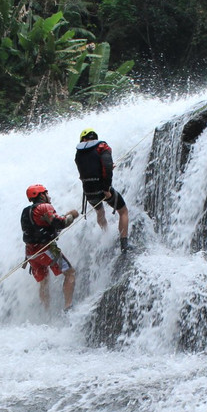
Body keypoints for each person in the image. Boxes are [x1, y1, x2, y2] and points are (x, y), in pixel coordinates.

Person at [21, 183, 79, 311]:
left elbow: (43, 226)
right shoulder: (44, 207)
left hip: (30, 255)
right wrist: (73, 215)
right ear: (41, 195)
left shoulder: (26, 211)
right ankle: (68, 307)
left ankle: (46, 312)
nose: (49, 196)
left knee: (44, 282)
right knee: (70, 273)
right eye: (46, 193)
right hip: (45, 250)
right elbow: (60, 223)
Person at [74, 128, 131, 252]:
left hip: (88, 191)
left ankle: (106, 234)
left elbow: (87, 170)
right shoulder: (102, 147)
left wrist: (108, 168)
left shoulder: (78, 153)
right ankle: (124, 245)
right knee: (123, 211)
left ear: (83, 139)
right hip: (102, 189)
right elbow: (106, 166)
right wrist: (106, 189)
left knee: (100, 212)